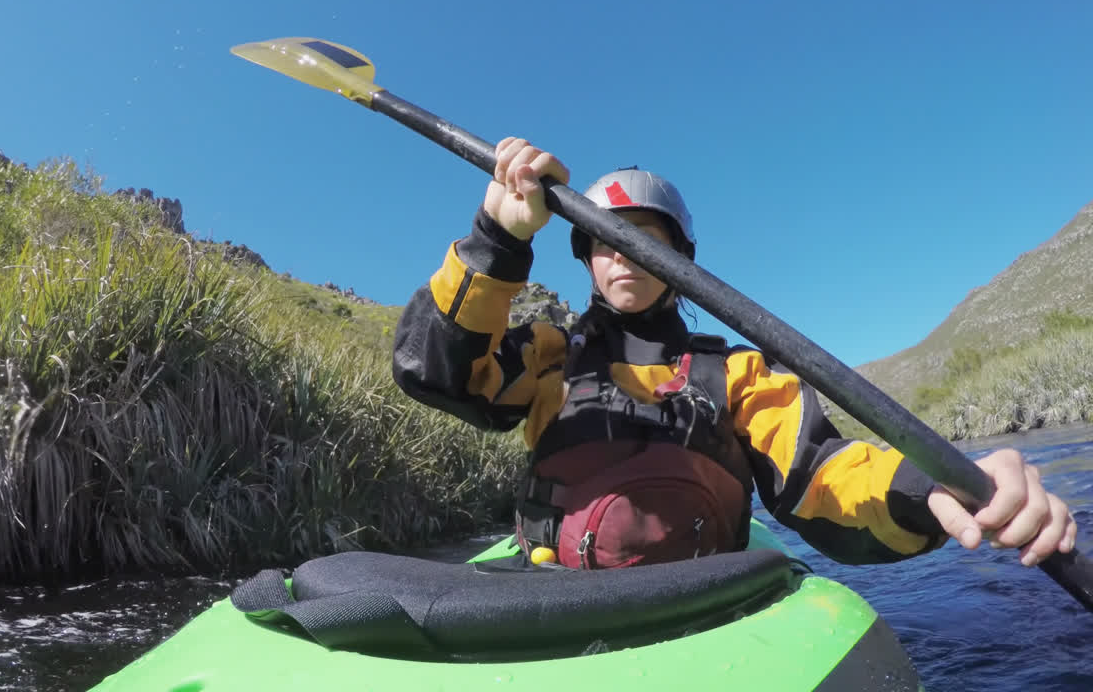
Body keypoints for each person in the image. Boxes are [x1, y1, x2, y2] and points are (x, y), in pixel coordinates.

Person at [392, 137, 1077, 569]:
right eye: (606, 240)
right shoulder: (550, 355)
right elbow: (437, 371)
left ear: (679, 259)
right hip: (555, 593)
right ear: (588, 261)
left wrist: (929, 487)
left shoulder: (740, 373)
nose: (622, 253)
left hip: (705, 602)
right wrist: (498, 240)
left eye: (644, 238)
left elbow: (821, 474)